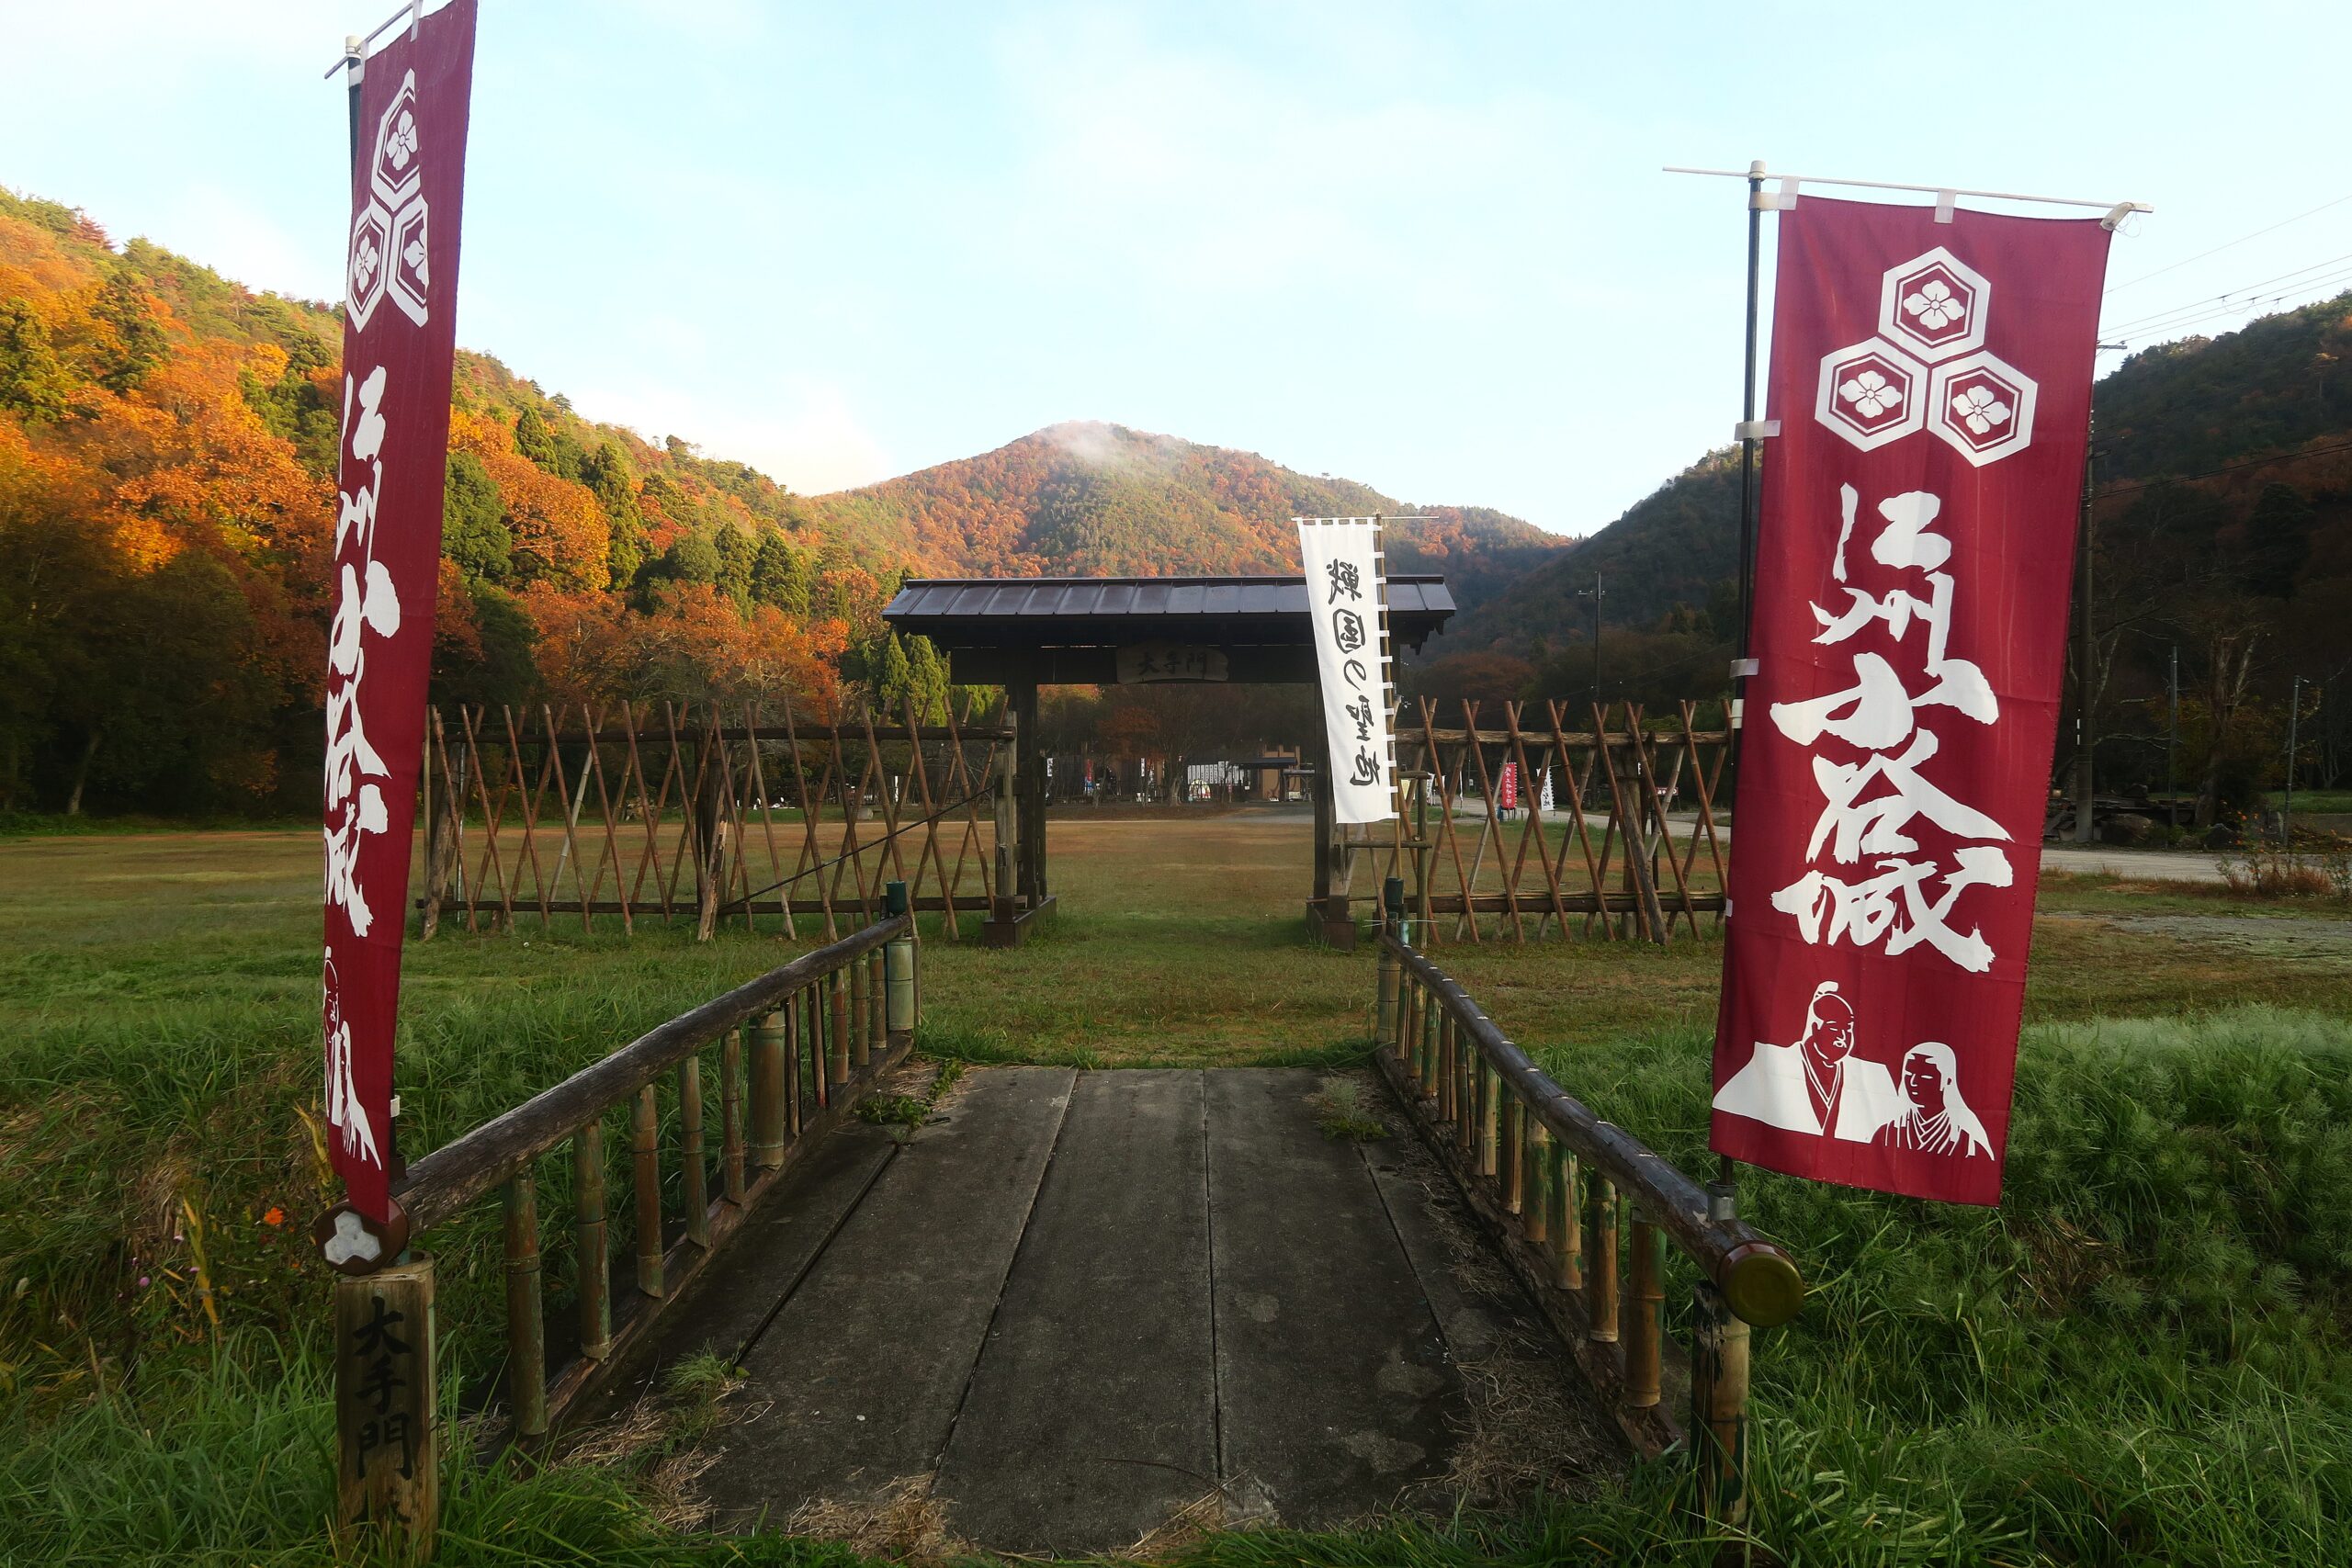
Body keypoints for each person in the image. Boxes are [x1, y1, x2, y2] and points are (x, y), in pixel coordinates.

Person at [1713, 980, 1901, 1142]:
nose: (1843, 1037)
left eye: (1848, 1029)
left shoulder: (1875, 1074)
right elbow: (1728, 1109)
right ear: (1814, 1027)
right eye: (1834, 1028)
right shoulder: (1773, 1059)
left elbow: (1894, 1128)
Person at [1871, 1042, 1994, 1157]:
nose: (1913, 1082)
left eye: (1925, 1076)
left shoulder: (1967, 1140)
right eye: (1909, 1074)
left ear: (1947, 1081)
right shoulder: (1889, 1132)